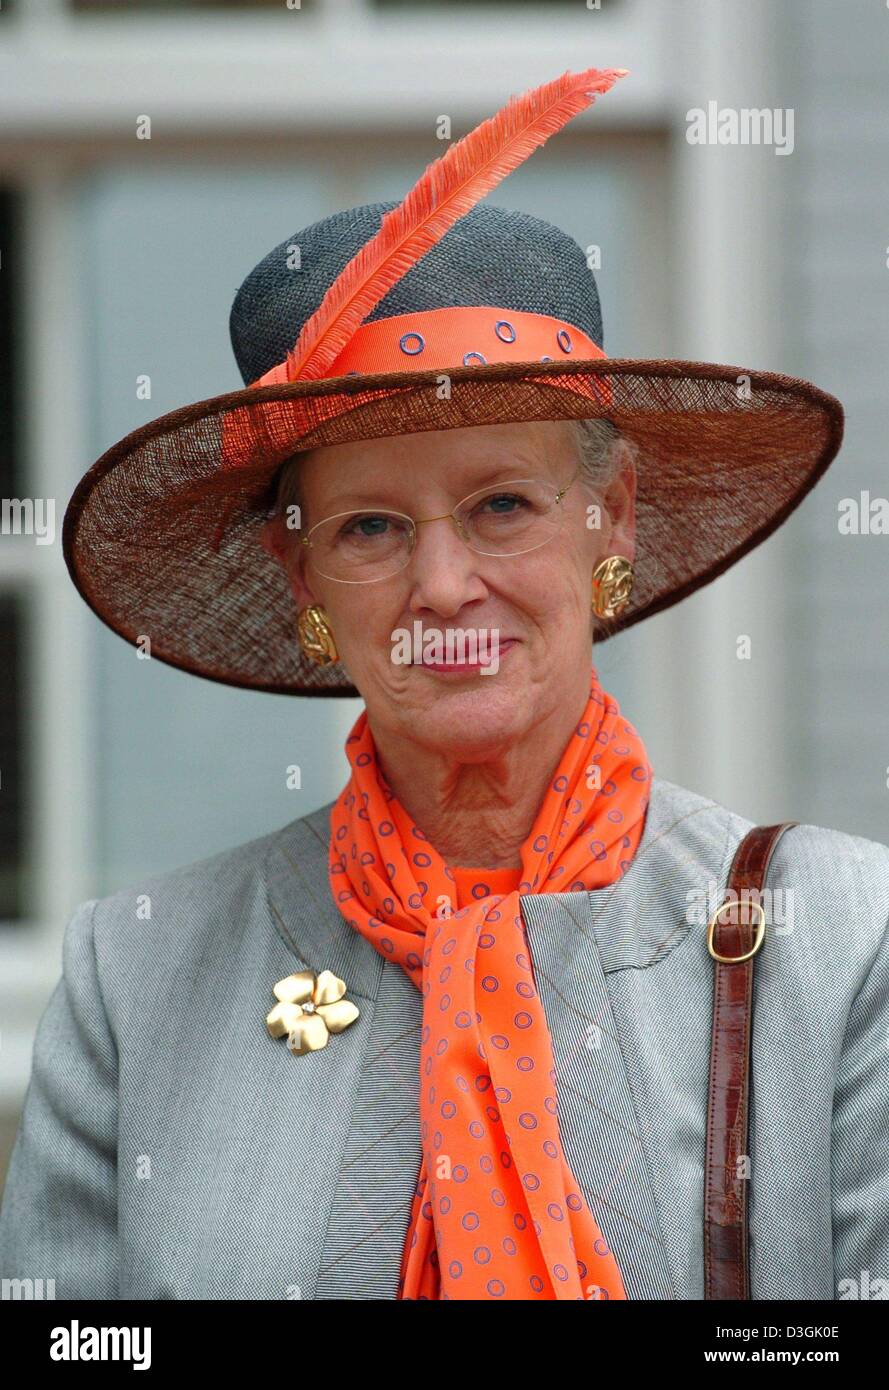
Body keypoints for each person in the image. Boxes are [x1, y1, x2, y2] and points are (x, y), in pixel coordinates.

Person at [2, 67, 887, 1302]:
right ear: (297, 567)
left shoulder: (841, 944)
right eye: (369, 527)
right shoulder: (137, 979)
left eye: (502, 505)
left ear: (609, 516)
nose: (444, 584)